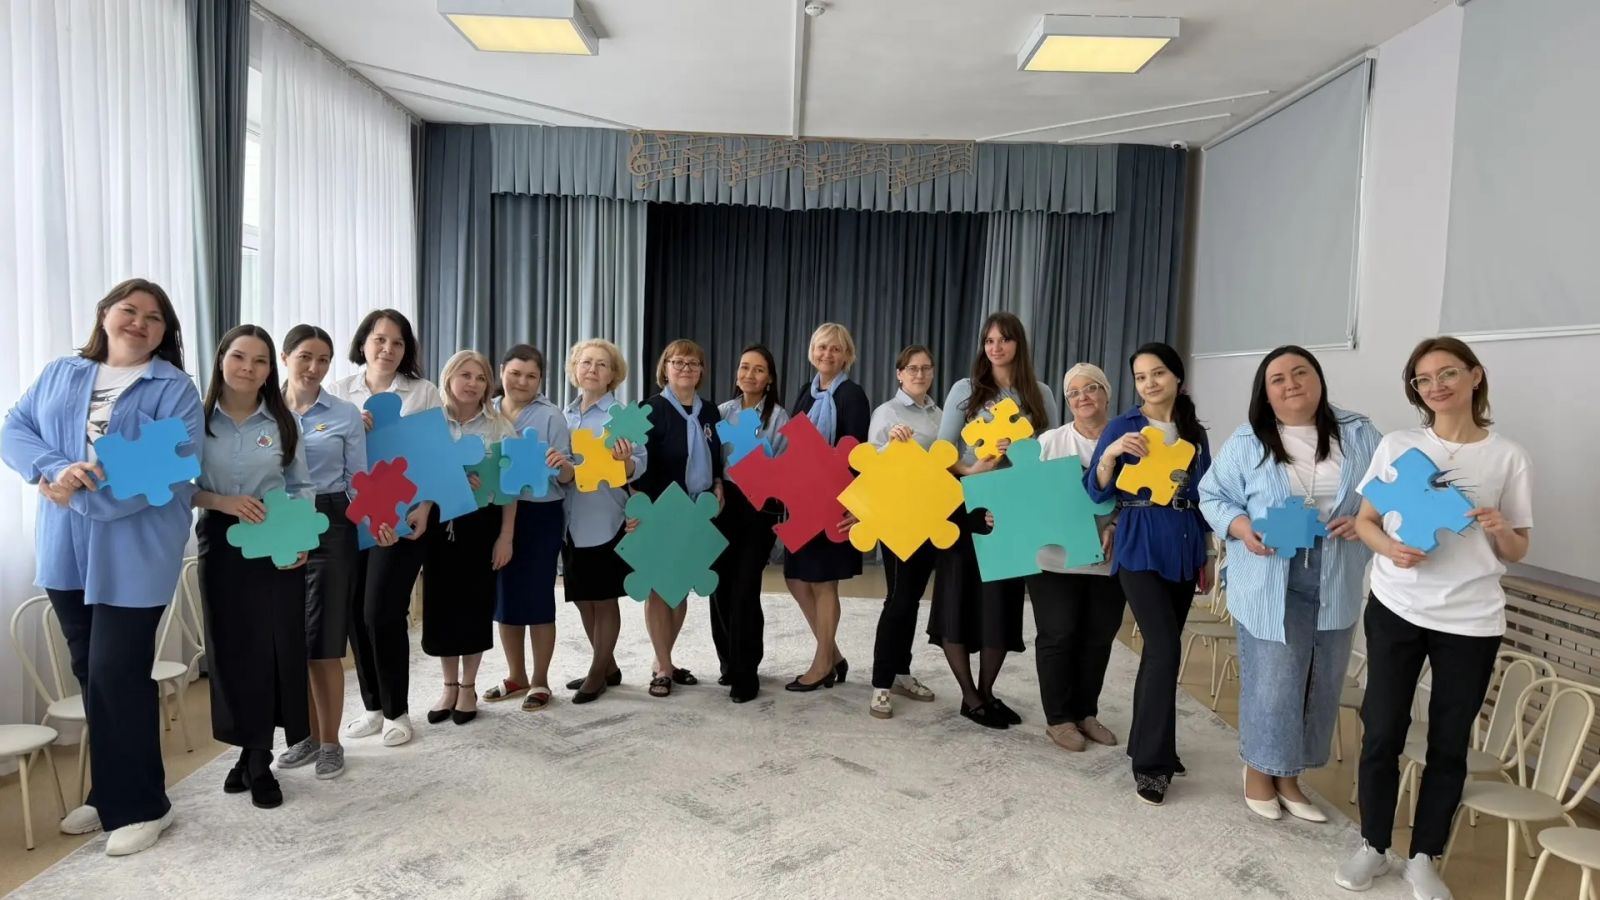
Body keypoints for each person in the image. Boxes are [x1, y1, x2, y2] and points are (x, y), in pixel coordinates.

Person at [1, 278, 201, 855]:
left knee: (118, 672)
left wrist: (79, 494)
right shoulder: (61, 373)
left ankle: (145, 805)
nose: (139, 322)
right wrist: (53, 469)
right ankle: (112, 790)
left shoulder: (173, 387)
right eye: (129, 310)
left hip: (136, 546)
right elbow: (15, 427)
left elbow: (171, 467)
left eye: (154, 317)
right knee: (90, 670)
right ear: (105, 314)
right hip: (66, 546)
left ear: (165, 332)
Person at [1335, 337, 1532, 900]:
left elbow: (1518, 549)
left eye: (1447, 373)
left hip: (1472, 620)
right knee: (1382, 730)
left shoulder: (1508, 456)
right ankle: (1373, 845)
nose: (1436, 386)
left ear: (1475, 376)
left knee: (1449, 742)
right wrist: (1390, 549)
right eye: (1423, 379)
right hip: (1397, 607)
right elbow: (1366, 521)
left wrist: (1500, 528)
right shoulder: (1399, 445)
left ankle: (1424, 856)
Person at [1198, 346, 1380, 821]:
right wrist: (1242, 528)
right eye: (1277, 378)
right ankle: (1259, 771)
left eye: (1300, 372)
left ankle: (1289, 777)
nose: (1290, 383)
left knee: (1320, 678)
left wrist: (1363, 519)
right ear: (1266, 393)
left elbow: (1385, 493)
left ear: (1318, 380)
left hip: (1336, 570)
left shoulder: (1360, 433)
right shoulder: (1248, 440)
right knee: (1275, 679)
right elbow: (1211, 495)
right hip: (1269, 572)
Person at [1084, 341, 1212, 806]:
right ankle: (1152, 765)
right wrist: (1110, 455)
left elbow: (1206, 496)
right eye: (1140, 377)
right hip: (1138, 543)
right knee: (1165, 647)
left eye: (1157, 373)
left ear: (1177, 376)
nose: (1149, 383)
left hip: (1184, 544)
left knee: (1161, 652)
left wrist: (1207, 553)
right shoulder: (1122, 426)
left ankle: (1151, 743)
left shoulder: (1195, 432)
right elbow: (1095, 492)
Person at [192, 325, 313, 810]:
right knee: (231, 649)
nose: (248, 368)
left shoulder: (283, 422)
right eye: (239, 357)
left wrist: (301, 535)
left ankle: (259, 757)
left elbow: (301, 484)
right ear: (221, 358)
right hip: (221, 540)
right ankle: (246, 746)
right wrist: (222, 501)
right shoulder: (196, 421)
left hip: (276, 538)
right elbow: (182, 487)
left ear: (270, 370)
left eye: (260, 361)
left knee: (273, 648)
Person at [932, 312, 1058, 728]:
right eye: (989, 341)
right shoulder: (964, 390)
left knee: (1001, 605)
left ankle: (986, 692)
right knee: (957, 600)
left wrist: (1020, 453)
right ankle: (970, 696)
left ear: (1018, 344)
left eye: (1004, 339)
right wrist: (973, 470)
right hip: (967, 504)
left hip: (1013, 509)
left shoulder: (1039, 393)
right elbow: (942, 452)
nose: (996, 347)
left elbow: (1049, 454)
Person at [327, 309, 437, 748]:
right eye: (380, 339)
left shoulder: (422, 392)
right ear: (363, 343)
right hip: (350, 516)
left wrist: (426, 506)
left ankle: (397, 711)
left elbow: (433, 455)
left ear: (406, 349)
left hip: (404, 516)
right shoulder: (338, 393)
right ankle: (372, 708)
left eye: (397, 342)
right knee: (354, 612)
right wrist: (350, 428)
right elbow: (318, 453)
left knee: (381, 611)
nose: (388, 349)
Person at [275, 325, 365, 780]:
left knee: (324, 640)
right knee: (289, 640)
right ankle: (305, 736)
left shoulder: (345, 414)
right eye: (305, 357)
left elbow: (358, 480)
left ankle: (330, 741)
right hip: (277, 522)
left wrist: (377, 521)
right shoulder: (263, 412)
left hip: (332, 522)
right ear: (285, 357)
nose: (314, 368)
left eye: (324, 359)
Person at [1020, 364, 1124, 752]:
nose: (1083, 397)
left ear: (1106, 393)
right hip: (1054, 560)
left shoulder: (1127, 441)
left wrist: (1118, 524)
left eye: (1091, 388)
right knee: (1059, 634)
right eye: (1074, 393)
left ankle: (1085, 712)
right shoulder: (1051, 442)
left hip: (1108, 560)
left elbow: (1142, 494)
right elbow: (1026, 493)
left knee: (1098, 637)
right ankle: (1059, 718)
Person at [421, 351, 518, 726]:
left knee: (475, 604)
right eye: (465, 375)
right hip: (438, 522)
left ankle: (468, 686)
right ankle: (448, 685)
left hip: (482, 524)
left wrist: (506, 536)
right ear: (448, 377)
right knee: (442, 604)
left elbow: (511, 488)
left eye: (480, 378)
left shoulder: (500, 428)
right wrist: (451, 477)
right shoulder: (430, 422)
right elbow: (416, 472)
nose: (473, 384)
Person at [481, 345, 572, 712]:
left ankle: (540, 680)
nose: (522, 381)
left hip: (539, 515)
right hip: (494, 513)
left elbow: (567, 478)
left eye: (531, 376)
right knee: (505, 598)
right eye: (515, 373)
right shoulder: (486, 411)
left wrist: (562, 464)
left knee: (537, 597)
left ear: (541, 380)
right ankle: (515, 675)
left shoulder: (551, 417)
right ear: (501, 371)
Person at [635, 339, 725, 698]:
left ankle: (665, 660)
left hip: (697, 511)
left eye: (693, 363)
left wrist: (718, 482)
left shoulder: (710, 412)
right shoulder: (650, 409)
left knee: (680, 588)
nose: (685, 368)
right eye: (678, 362)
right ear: (665, 368)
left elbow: (717, 457)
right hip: (661, 508)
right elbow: (637, 464)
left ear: (701, 370)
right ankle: (662, 666)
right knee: (659, 588)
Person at [558, 339, 647, 703]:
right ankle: (607, 665)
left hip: (607, 518)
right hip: (569, 520)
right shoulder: (563, 415)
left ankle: (596, 674)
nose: (592, 369)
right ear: (574, 369)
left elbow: (640, 464)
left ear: (613, 375)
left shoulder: (621, 416)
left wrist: (626, 461)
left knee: (605, 598)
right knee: (582, 598)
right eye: (585, 362)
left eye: (601, 364)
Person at [785, 323, 871, 692]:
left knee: (823, 582)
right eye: (822, 347)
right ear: (812, 352)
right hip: (804, 500)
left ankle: (821, 665)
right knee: (795, 578)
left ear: (847, 355)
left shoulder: (852, 395)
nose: (827, 354)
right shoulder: (806, 392)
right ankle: (833, 654)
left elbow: (858, 455)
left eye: (836, 349)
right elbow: (795, 444)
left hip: (836, 502)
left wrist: (857, 504)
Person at [862, 345, 941, 720]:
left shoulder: (940, 415)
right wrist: (891, 444)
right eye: (912, 368)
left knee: (911, 599)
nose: (920, 374)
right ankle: (881, 683)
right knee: (898, 599)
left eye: (926, 368)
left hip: (931, 516)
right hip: (896, 517)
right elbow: (868, 463)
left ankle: (901, 672)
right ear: (899, 374)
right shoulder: (886, 413)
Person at [711, 344, 789, 703]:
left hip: (760, 508)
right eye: (744, 367)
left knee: (745, 589)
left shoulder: (779, 418)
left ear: (769, 378)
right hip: (723, 504)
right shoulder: (721, 412)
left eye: (758, 369)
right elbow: (711, 461)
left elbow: (784, 470)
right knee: (720, 588)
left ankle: (746, 672)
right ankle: (728, 662)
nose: (749, 375)